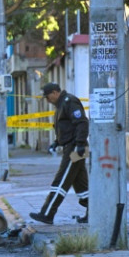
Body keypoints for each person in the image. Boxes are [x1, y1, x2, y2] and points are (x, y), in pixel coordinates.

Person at [29, 82, 90, 225]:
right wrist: (57, 142)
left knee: (61, 181)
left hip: (76, 148)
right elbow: (66, 127)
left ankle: (47, 214)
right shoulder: (61, 105)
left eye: (48, 96)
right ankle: (94, 212)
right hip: (73, 146)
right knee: (81, 184)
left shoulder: (69, 101)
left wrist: (80, 143)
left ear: (55, 92)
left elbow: (82, 122)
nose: (47, 100)